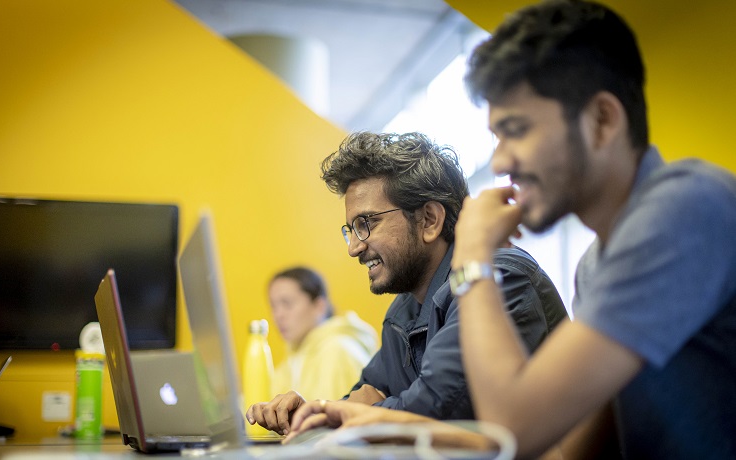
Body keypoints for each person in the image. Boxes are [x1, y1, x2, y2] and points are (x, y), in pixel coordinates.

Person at [289, 1, 736, 459]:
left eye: (516, 130)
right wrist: (375, 421)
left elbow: (513, 427)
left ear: (602, 121)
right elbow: (562, 450)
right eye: (496, 137)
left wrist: (474, 257)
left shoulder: (688, 208)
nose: (501, 161)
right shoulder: (596, 265)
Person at [246, 131, 567, 436]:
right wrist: (312, 414)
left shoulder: (499, 278)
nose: (354, 247)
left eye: (366, 224)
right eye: (351, 229)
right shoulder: (404, 311)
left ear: (429, 220)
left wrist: (368, 412)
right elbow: (364, 399)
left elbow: (443, 408)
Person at [268, 266, 378, 401]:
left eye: (287, 304)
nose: (278, 315)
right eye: (274, 306)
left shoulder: (338, 351)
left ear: (319, 306)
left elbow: (343, 417)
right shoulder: (290, 362)